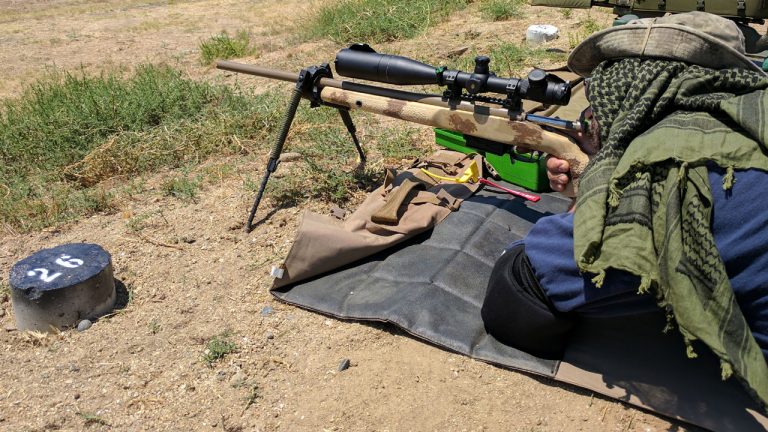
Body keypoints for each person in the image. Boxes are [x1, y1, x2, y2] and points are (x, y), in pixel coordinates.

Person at [481, 11, 768, 407]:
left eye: (603, 90)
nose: (591, 112)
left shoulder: (668, 179)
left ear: (636, 91)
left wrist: (592, 200)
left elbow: (516, 301)